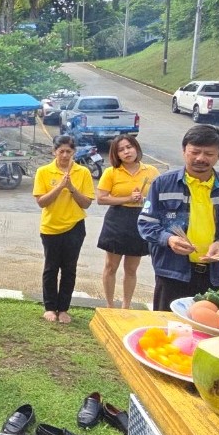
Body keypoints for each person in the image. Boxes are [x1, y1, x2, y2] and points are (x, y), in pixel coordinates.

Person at [138, 123, 219, 312]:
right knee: (170, 327)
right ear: (184, 150)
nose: (201, 158)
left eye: (209, 154)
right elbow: (146, 223)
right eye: (195, 152)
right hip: (172, 273)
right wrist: (169, 239)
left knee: (210, 329)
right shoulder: (163, 184)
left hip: (216, 276)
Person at [33, 133, 95, 324]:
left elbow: (86, 203)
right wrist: (60, 187)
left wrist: (72, 188)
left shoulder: (82, 173)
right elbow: (41, 202)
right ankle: (50, 307)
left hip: (75, 227)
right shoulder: (44, 172)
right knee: (51, 268)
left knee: (69, 269)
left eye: (69, 151)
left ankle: (63, 309)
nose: (65, 155)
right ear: (54, 152)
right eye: (61, 151)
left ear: (74, 152)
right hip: (51, 227)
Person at [95, 134, 159, 308]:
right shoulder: (111, 172)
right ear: (116, 155)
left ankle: (126, 305)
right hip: (117, 219)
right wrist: (127, 198)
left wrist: (143, 199)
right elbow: (101, 199)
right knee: (111, 266)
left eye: (129, 147)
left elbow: (158, 198)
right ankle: (109, 305)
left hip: (140, 220)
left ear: (136, 148)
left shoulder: (151, 171)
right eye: (121, 150)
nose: (126, 152)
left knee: (131, 268)